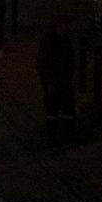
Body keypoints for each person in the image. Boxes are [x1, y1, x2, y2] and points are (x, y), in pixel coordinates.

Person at [37, 17, 77, 145]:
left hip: (64, 81)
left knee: (68, 109)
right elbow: (43, 64)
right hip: (54, 82)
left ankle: (69, 136)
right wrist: (48, 82)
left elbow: (70, 61)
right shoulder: (50, 42)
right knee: (52, 111)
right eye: (62, 26)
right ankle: (53, 138)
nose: (64, 29)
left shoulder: (64, 41)